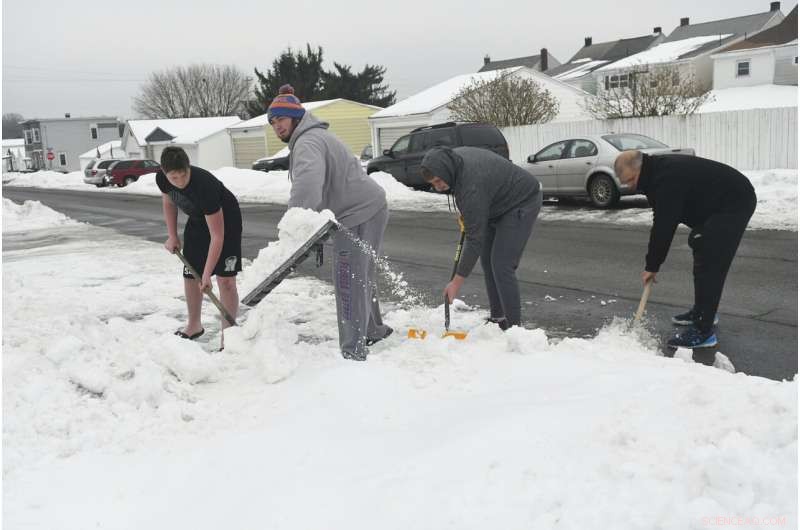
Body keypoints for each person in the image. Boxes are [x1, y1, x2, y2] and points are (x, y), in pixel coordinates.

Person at [268, 84, 392, 361]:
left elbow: (308, 186)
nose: (277, 126)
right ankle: (373, 330)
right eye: (273, 122)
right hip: (369, 207)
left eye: (281, 119)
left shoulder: (307, 142)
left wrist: (294, 227)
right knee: (362, 276)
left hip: (357, 212)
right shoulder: (313, 137)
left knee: (349, 279)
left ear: (296, 118)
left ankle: (353, 350)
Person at [614, 150, 757, 349]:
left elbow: (665, 225)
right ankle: (703, 311)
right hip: (714, 205)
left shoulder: (666, 178)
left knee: (711, 260)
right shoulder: (654, 174)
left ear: (639, 168)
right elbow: (662, 215)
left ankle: (703, 331)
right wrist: (653, 263)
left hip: (734, 203)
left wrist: (652, 266)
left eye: (630, 180)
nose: (630, 186)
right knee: (700, 244)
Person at [420, 146, 542, 330]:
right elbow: (474, 208)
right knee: (487, 261)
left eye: (438, 181)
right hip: (496, 203)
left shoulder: (471, 185)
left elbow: (474, 239)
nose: (438, 188)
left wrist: (456, 283)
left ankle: (514, 330)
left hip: (521, 201)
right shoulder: (453, 161)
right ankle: (498, 317)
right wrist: (470, 215)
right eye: (433, 183)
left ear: (446, 170)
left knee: (502, 265)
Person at [157, 146, 242, 341]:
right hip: (197, 221)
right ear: (164, 172)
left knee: (225, 280)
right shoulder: (162, 178)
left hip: (226, 223)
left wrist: (206, 275)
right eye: (173, 178)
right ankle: (194, 325)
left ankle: (227, 336)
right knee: (190, 273)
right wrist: (172, 235)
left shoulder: (205, 185)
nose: (179, 182)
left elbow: (217, 236)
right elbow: (169, 202)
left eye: (183, 176)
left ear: (189, 167)